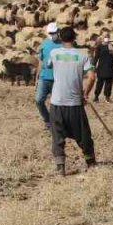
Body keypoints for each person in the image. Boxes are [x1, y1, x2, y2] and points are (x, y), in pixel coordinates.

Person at [46, 26, 97, 175]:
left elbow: (48, 65)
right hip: (75, 103)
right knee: (83, 134)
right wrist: (85, 93)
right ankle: (91, 162)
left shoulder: (54, 53)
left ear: (60, 38)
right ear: (74, 38)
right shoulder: (82, 55)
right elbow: (92, 76)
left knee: (57, 136)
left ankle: (60, 167)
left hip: (57, 102)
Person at [34, 23, 61, 129]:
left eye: (54, 33)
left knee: (56, 103)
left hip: (57, 79)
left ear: (58, 32)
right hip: (44, 77)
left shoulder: (62, 45)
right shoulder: (44, 44)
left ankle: (56, 122)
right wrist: (37, 77)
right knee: (39, 100)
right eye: (50, 33)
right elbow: (40, 61)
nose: (52, 35)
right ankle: (47, 119)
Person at [91, 36, 113, 102]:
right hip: (101, 68)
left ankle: (107, 97)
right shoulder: (99, 47)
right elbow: (96, 57)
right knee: (99, 83)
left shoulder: (111, 46)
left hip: (110, 67)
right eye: (105, 37)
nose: (106, 38)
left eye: (107, 37)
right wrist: (93, 65)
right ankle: (96, 97)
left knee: (108, 84)